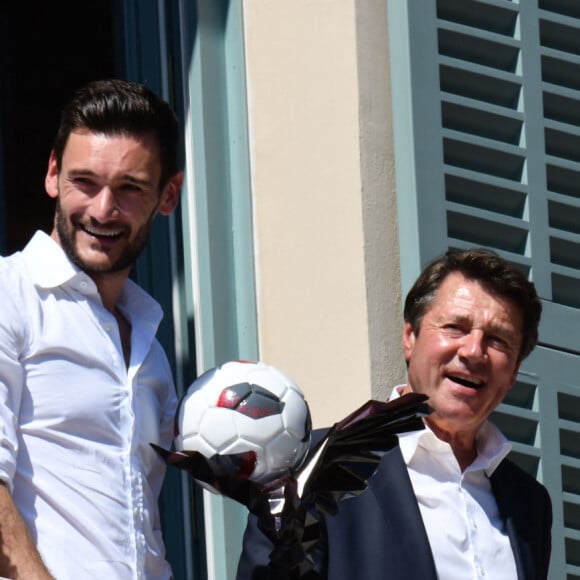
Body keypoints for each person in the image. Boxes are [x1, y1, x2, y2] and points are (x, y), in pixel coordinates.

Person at [237, 248, 553, 579]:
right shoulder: (311, 469)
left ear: (514, 371)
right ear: (409, 338)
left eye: (498, 340)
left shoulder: (529, 505)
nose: (474, 351)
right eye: (455, 327)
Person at [0, 79, 183, 579]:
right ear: (53, 175)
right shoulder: (9, 295)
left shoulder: (148, 342)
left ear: (167, 195)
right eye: (85, 182)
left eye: (129, 189)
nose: (103, 210)